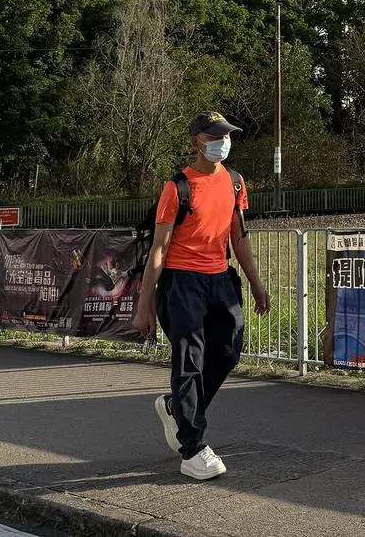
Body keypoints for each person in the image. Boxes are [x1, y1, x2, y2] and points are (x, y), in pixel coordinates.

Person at [133, 111, 271, 481]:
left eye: (226, 135)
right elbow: (159, 250)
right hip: (182, 282)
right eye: (215, 136)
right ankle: (192, 447)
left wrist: (256, 284)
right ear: (197, 142)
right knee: (189, 360)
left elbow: (238, 238)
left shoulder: (236, 183)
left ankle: (178, 407)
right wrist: (144, 305)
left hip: (220, 279)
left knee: (227, 352)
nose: (223, 142)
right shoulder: (177, 188)